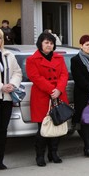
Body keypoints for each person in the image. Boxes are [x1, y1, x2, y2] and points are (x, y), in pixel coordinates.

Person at [27, 32, 69, 165]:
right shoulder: (32, 60)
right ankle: (40, 155)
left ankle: (53, 153)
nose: (49, 45)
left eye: (51, 43)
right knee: (43, 128)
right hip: (42, 96)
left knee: (58, 125)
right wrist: (52, 90)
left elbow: (64, 74)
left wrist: (59, 89)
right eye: (46, 42)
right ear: (40, 44)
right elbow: (35, 77)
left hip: (58, 95)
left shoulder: (59, 58)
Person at [0, 28, 22, 172]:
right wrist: (0, 86)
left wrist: (12, 85)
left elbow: (17, 72)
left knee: (3, 129)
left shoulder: (8, 55)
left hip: (7, 97)